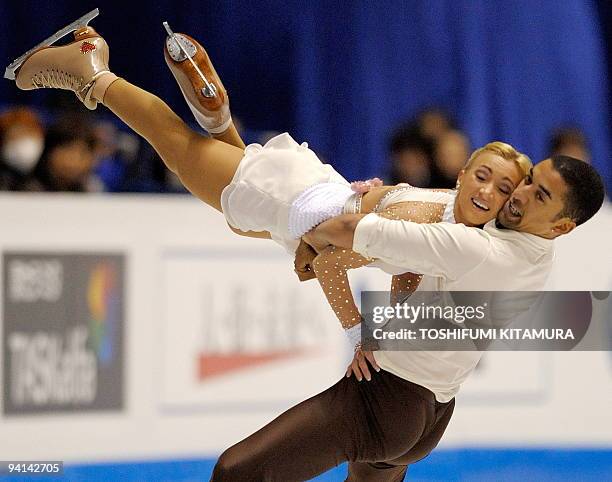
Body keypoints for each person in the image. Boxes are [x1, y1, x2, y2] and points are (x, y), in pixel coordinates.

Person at [8, 22, 530, 344]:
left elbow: (409, 258)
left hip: (308, 187)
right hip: (293, 199)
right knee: (169, 140)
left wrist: (396, 313)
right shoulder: (438, 224)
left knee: (235, 208)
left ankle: (219, 119)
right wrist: (359, 336)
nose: (487, 193)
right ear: (461, 174)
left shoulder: (447, 214)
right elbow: (327, 260)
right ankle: (91, 70)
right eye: (482, 176)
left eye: (501, 189)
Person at [0, 107, 45, 191]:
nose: (24, 144)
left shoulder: (47, 173)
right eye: (16, 137)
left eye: (29, 134)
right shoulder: (4, 180)